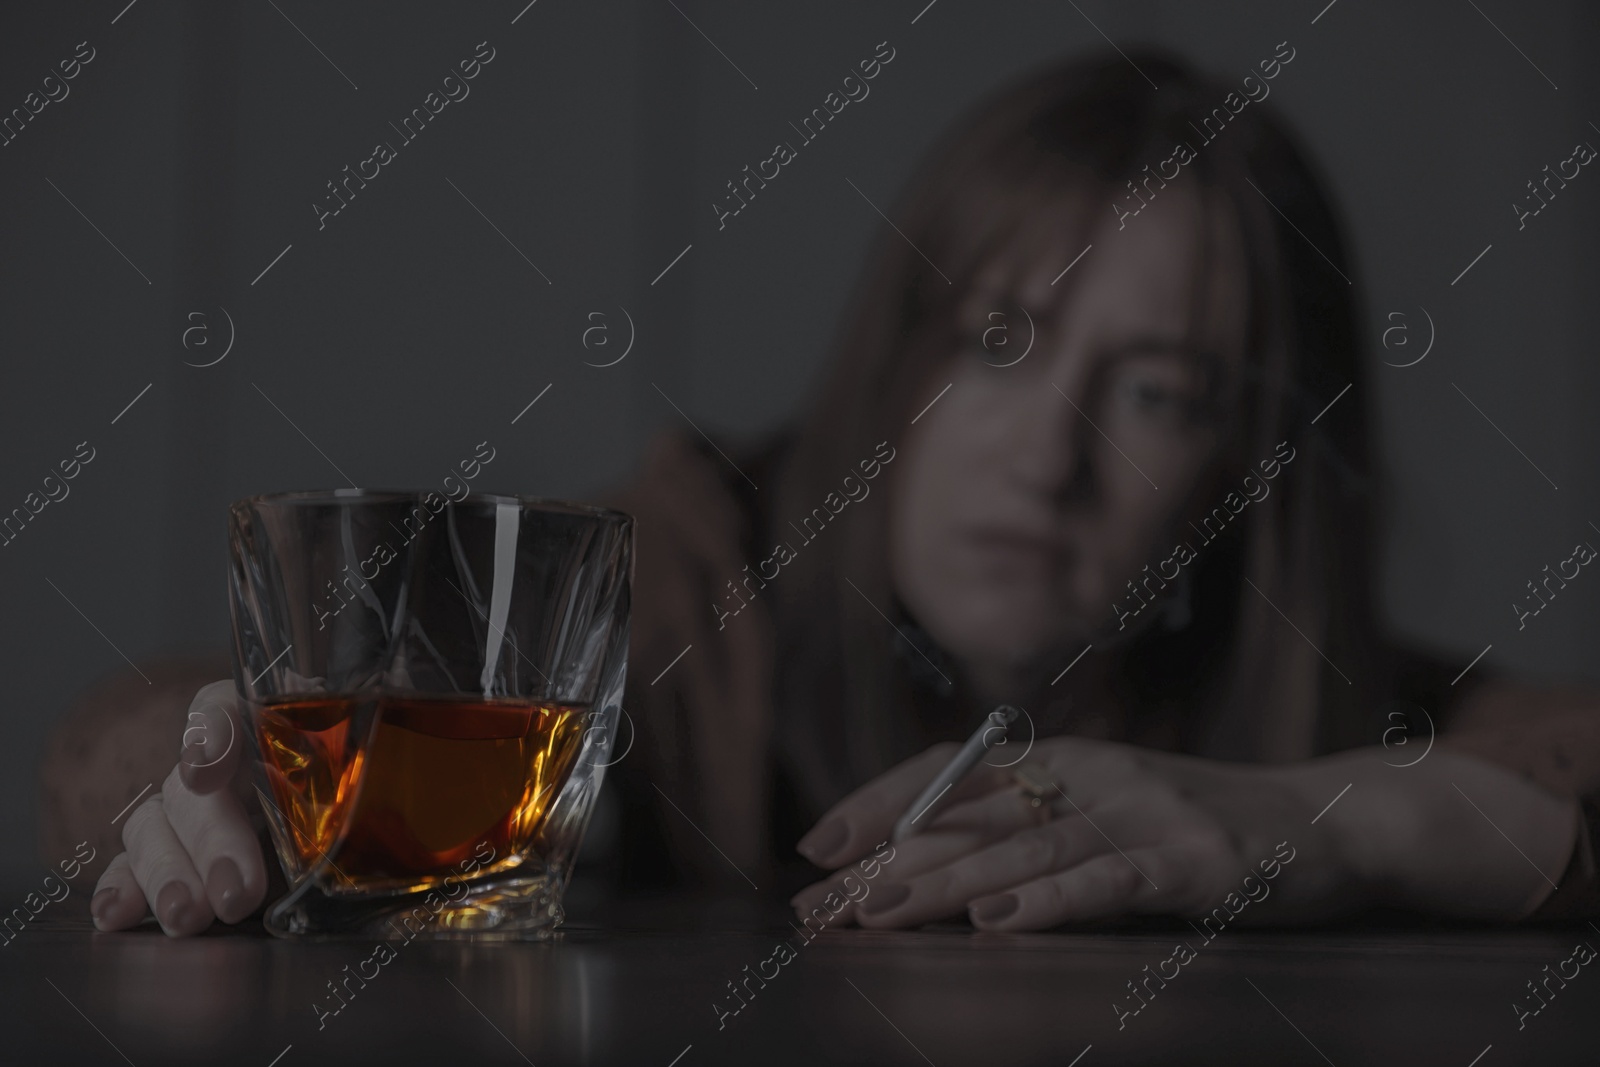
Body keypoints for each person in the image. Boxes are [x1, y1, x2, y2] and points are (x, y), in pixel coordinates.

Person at [42, 50, 1600, 938]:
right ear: (899, 359)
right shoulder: (677, 587)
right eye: (999, 343)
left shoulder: (1283, 666)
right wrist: (192, 793)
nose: (1041, 453)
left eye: (1154, 392)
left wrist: (1308, 822)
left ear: (1248, 475)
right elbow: (142, 729)